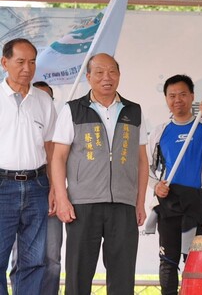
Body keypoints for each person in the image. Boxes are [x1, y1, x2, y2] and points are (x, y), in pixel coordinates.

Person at [52, 53, 149, 295]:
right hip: (83, 205)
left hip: (123, 204)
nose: (107, 77)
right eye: (99, 72)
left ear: (119, 75)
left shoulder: (134, 111)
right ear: (88, 77)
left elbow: (142, 160)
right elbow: (58, 157)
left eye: (112, 72)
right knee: (78, 274)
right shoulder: (73, 110)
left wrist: (139, 202)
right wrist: (63, 199)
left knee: (122, 275)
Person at [148, 74, 202, 295]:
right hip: (170, 203)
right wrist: (156, 186)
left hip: (197, 204)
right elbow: (146, 168)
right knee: (168, 261)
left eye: (183, 94)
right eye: (172, 95)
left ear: (192, 96)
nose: (178, 100)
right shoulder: (160, 131)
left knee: (195, 262)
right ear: (166, 98)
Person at [0, 38, 56, 294]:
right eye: (20, 62)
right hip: (2, 186)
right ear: (4, 62)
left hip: (37, 186)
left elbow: (51, 148)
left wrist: (55, 187)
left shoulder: (43, 101)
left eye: (32, 62)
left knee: (33, 261)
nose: (27, 68)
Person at [10, 80, 62, 295]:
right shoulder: (14, 122)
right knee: (19, 258)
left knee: (50, 259)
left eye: (46, 99)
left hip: (48, 193)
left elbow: (58, 159)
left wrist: (57, 190)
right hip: (13, 192)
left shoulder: (59, 129)